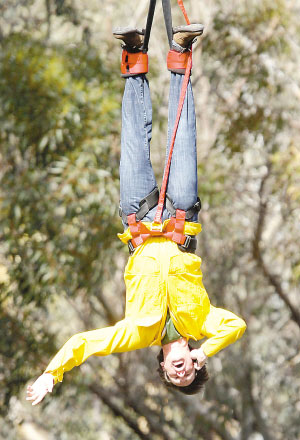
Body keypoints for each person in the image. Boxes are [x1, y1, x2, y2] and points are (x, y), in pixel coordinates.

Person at [26, 25, 246, 405]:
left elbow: (84, 343)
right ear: (192, 360)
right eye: (189, 371)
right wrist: (206, 350)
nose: (181, 371)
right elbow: (237, 325)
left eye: (175, 376)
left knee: (132, 137)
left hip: (139, 219)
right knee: (183, 136)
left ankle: (133, 53)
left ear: (161, 366)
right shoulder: (203, 322)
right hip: (179, 216)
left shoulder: (137, 333)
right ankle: (180, 51)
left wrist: (51, 373)